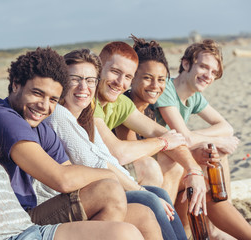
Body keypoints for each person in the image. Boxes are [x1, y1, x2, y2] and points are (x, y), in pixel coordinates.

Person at [0, 60, 144, 240]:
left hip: (27, 230)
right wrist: (111, 174)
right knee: (124, 234)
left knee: (136, 224)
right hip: (12, 237)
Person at [0, 47, 160, 237]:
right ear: (16, 85)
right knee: (108, 191)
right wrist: (108, 174)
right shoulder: (4, 118)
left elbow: (70, 170)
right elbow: (63, 179)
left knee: (143, 215)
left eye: (53, 99)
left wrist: (106, 175)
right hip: (15, 222)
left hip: (33, 211)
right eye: (37, 93)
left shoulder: (40, 125)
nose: (44, 106)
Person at [43, 48, 187, 239]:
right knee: (149, 198)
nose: (83, 87)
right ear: (61, 81)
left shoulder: (83, 117)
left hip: (88, 192)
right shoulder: (59, 114)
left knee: (156, 193)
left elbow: (106, 157)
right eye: (75, 79)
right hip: (60, 202)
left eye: (90, 80)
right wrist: (140, 190)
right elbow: (95, 163)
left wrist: (141, 187)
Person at [93, 41, 207, 216]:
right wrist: (163, 142)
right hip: (90, 177)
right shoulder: (89, 102)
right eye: (115, 72)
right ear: (99, 69)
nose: (120, 82)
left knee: (187, 170)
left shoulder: (121, 103)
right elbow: (120, 152)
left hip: (108, 170)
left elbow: (167, 134)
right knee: (151, 167)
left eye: (126, 77)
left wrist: (194, 170)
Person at [153, 39, 251, 239]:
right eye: (204, 67)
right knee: (212, 151)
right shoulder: (166, 90)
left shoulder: (193, 97)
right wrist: (214, 140)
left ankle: (222, 222)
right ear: (187, 63)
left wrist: (213, 141)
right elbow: (184, 139)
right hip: (160, 167)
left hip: (178, 161)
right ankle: (217, 228)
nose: (208, 75)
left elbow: (226, 127)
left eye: (214, 72)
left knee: (215, 152)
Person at [114, 35, 185, 203]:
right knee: (152, 165)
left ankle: (168, 219)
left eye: (161, 80)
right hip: (117, 176)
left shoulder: (151, 111)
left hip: (137, 171)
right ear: (132, 77)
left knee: (175, 165)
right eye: (147, 78)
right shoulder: (124, 105)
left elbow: (172, 139)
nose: (155, 86)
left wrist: (193, 169)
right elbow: (134, 155)